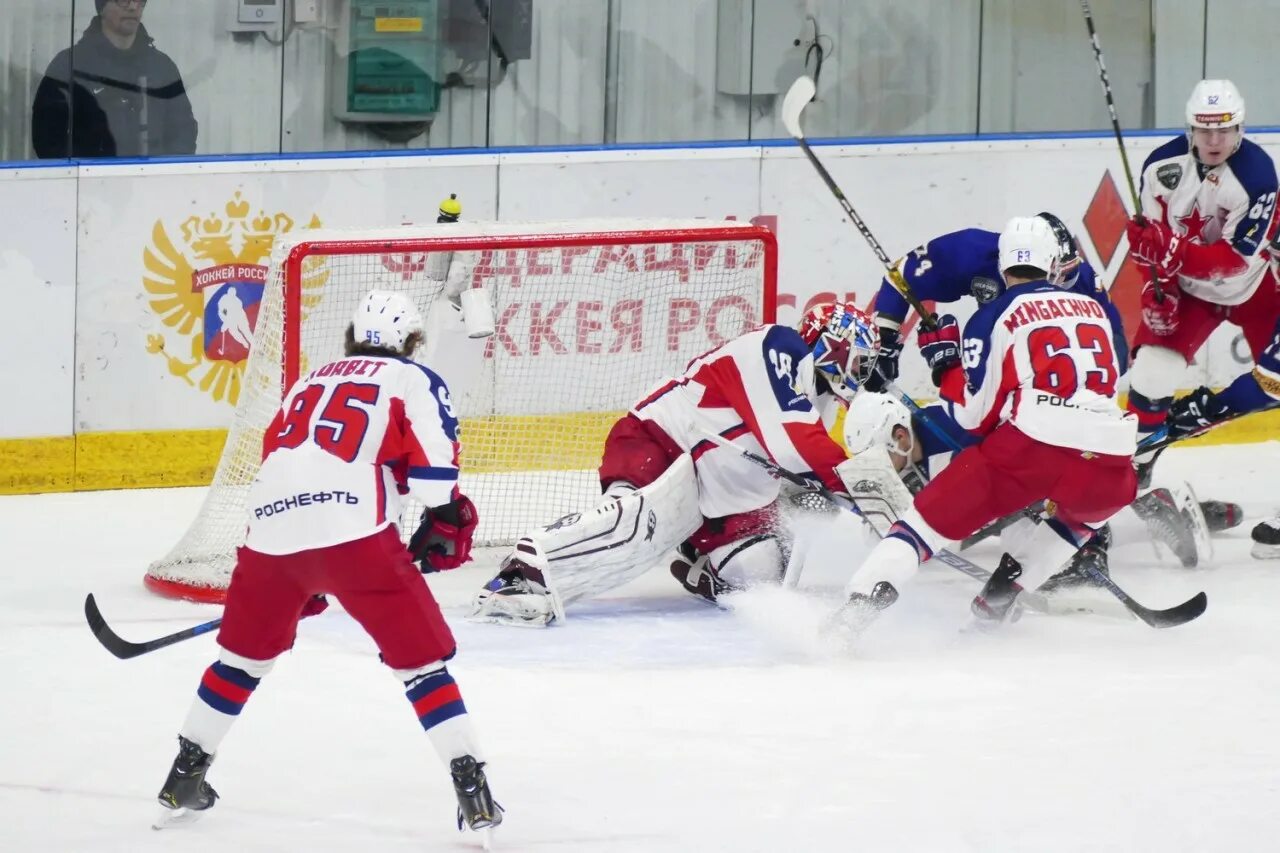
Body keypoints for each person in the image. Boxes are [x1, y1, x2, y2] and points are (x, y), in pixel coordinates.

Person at [154, 291, 501, 836]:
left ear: (351, 335)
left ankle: (184, 773)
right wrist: (447, 518)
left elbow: (282, 464)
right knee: (420, 668)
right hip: (357, 537)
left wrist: (301, 579)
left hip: (269, 537)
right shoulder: (414, 379)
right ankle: (471, 787)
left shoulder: (306, 383)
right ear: (411, 341)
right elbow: (437, 484)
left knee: (240, 664)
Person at [468, 302, 881, 626]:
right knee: (627, 525)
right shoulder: (779, 346)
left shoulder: (820, 399)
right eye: (860, 359)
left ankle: (698, 560)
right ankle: (522, 573)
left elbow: (796, 465)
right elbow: (794, 444)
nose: (861, 373)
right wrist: (871, 497)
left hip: (722, 495)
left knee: (760, 574)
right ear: (833, 344)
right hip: (660, 442)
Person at [834, 216, 1138, 631]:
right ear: (1051, 263)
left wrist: (946, 366)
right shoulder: (1090, 304)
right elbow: (1112, 367)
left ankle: (851, 613)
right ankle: (1002, 597)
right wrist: (886, 338)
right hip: (1114, 461)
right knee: (1079, 519)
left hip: (1031, 449)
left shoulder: (994, 315)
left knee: (922, 526)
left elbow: (972, 418)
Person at [841, 391, 1240, 589]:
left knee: (1039, 540)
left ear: (897, 436)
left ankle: (1150, 509)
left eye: (878, 455)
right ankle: (1152, 509)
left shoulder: (952, 427)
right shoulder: (920, 448)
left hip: (1062, 460)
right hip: (1035, 480)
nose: (878, 467)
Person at [1122, 79, 1280, 486]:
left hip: (1255, 289)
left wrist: (1171, 252)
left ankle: (1191, 417)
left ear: (1239, 129)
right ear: (1190, 129)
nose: (1214, 139)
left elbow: (1231, 262)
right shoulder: (1160, 168)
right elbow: (1148, 250)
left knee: (1277, 385)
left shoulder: (1257, 175)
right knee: (1151, 376)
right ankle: (1135, 468)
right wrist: (1155, 289)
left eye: (1224, 129)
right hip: (1190, 291)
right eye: (1205, 129)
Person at [864, 211, 1127, 393]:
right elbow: (900, 279)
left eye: (1069, 275)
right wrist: (884, 343)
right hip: (1006, 381)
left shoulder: (1084, 280)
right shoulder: (972, 252)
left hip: (1059, 387)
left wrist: (950, 371)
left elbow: (1119, 352)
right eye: (1060, 276)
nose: (1060, 287)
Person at [32, 0, 198, 158]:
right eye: (123, 0)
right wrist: (85, 173)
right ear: (102, 6)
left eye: (140, 0)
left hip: (151, 183)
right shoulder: (70, 66)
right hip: (90, 184)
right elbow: (47, 138)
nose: (133, 7)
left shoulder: (162, 67)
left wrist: (162, 173)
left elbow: (184, 130)